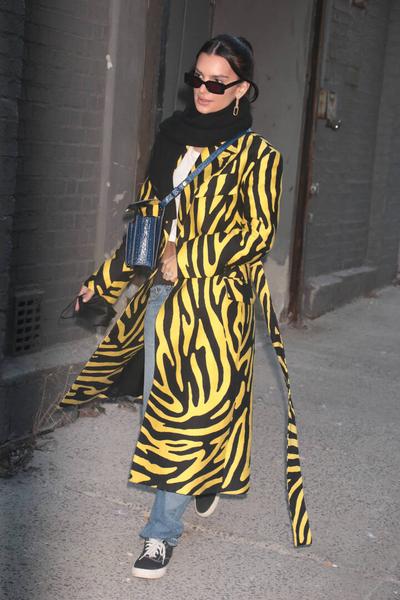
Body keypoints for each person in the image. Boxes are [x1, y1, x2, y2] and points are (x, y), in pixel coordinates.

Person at [60, 34, 312, 579]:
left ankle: (160, 533)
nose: (203, 89)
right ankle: (202, 472)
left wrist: (188, 255)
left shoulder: (259, 157)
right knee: (164, 408)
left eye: (217, 83)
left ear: (242, 89)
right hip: (161, 300)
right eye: (197, 78)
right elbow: (147, 227)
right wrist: (102, 284)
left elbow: (257, 234)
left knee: (185, 415)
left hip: (216, 305)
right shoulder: (171, 139)